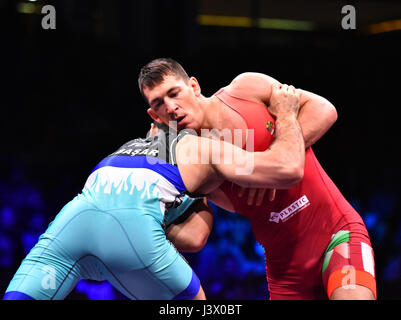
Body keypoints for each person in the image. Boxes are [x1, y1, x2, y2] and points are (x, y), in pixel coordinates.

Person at [3, 84, 305, 300]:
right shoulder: (202, 147)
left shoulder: (128, 145)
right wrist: (288, 115)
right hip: (132, 232)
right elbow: (288, 169)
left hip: (73, 221)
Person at [138, 58, 376, 300]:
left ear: (194, 86)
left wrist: (274, 160)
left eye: (174, 93)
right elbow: (201, 232)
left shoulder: (245, 89)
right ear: (154, 115)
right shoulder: (188, 163)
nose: (170, 107)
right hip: (285, 267)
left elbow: (325, 110)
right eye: (159, 103)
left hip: (336, 232)